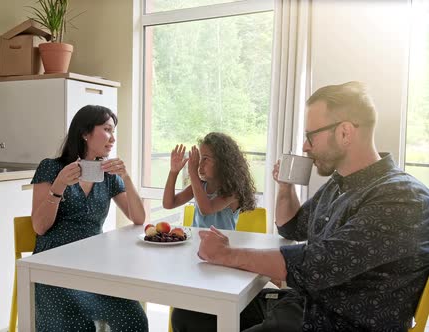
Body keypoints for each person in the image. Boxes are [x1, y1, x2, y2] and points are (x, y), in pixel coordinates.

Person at [172, 81, 429, 331]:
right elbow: (291, 227)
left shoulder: (401, 197)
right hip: (303, 305)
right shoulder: (339, 184)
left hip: (333, 322)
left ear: (345, 133)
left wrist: (228, 254)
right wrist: (286, 187)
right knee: (190, 314)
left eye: (310, 136)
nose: (305, 146)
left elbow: (318, 265)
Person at [30, 105, 148, 332]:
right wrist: (60, 185)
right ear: (85, 133)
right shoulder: (51, 168)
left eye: (114, 132)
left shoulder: (108, 175)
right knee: (78, 325)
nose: (112, 138)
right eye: (107, 130)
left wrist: (126, 177)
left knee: (134, 318)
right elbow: (40, 227)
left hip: (94, 264)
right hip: (54, 265)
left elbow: (138, 218)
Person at [162, 132, 257, 230]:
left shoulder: (233, 191)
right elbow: (168, 204)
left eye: (205, 159)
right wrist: (173, 172)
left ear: (222, 162)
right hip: (197, 243)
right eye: (199, 158)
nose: (199, 164)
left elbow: (207, 209)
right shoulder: (200, 186)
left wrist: (193, 173)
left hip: (221, 244)